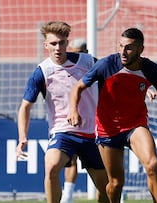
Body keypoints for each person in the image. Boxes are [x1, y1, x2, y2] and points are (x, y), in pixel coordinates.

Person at [67, 28, 157, 203]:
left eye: (129, 48)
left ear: (141, 49)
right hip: (107, 129)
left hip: (135, 125)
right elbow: (78, 87)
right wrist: (73, 109)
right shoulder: (107, 65)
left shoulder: (151, 69)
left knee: (153, 165)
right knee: (116, 184)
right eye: (121, 46)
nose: (123, 52)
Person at [16, 21, 109, 203]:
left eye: (61, 43)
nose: (57, 48)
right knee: (51, 167)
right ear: (46, 45)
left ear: (67, 43)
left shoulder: (88, 61)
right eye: (53, 44)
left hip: (93, 134)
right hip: (63, 132)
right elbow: (25, 107)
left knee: (107, 190)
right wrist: (22, 138)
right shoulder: (42, 72)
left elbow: (114, 76)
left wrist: (146, 89)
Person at [60, 37, 89, 203]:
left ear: (85, 52)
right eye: (73, 53)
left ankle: (116, 193)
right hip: (71, 119)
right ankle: (68, 196)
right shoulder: (64, 69)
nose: (75, 57)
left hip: (93, 120)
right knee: (70, 158)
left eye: (79, 53)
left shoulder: (93, 66)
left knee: (103, 161)